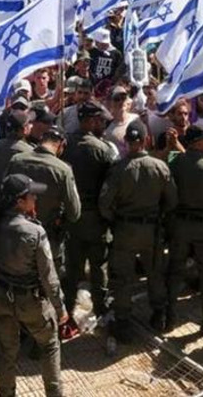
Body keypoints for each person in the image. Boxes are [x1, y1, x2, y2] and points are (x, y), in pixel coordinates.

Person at [0, 173, 66, 397]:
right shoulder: (35, 232)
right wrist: (60, 309)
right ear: (19, 201)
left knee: (7, 352)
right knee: (50, 345)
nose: (36, 199)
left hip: (1, 298)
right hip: (30, 301)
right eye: (32, 195)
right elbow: (48, 276)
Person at [100, 119, 177, 338]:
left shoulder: (118, 169)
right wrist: (158, 215)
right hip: (151, 229)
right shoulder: (160, 167)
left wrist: (115, 220)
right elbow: (172, 200)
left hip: (125, 228)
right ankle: (159, 314)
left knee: (122, 276)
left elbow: (104, 203)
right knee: (154, 272)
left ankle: (123, 321)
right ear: (146, 140)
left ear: (126, 141)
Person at [6, 125, 81, 309]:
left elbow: (5, 193)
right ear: (61, 145)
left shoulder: (17, 160)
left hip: (16, 235)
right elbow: (75, 213)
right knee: (48, 285)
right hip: (48, 239)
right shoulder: (62, 169)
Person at [165, 124, 203, 334]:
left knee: (175, 270)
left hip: (180, 224)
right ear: (196, 142)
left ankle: (169, 317)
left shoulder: (175, 163)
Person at [61, 101, 116, 316]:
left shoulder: (65, 145)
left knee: (73, 267)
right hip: (97, 218)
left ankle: (67, 309)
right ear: (92, 120)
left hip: (73, 216)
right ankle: (101, 309)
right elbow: (111, 186)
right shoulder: (102, 150)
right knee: (98, 266)